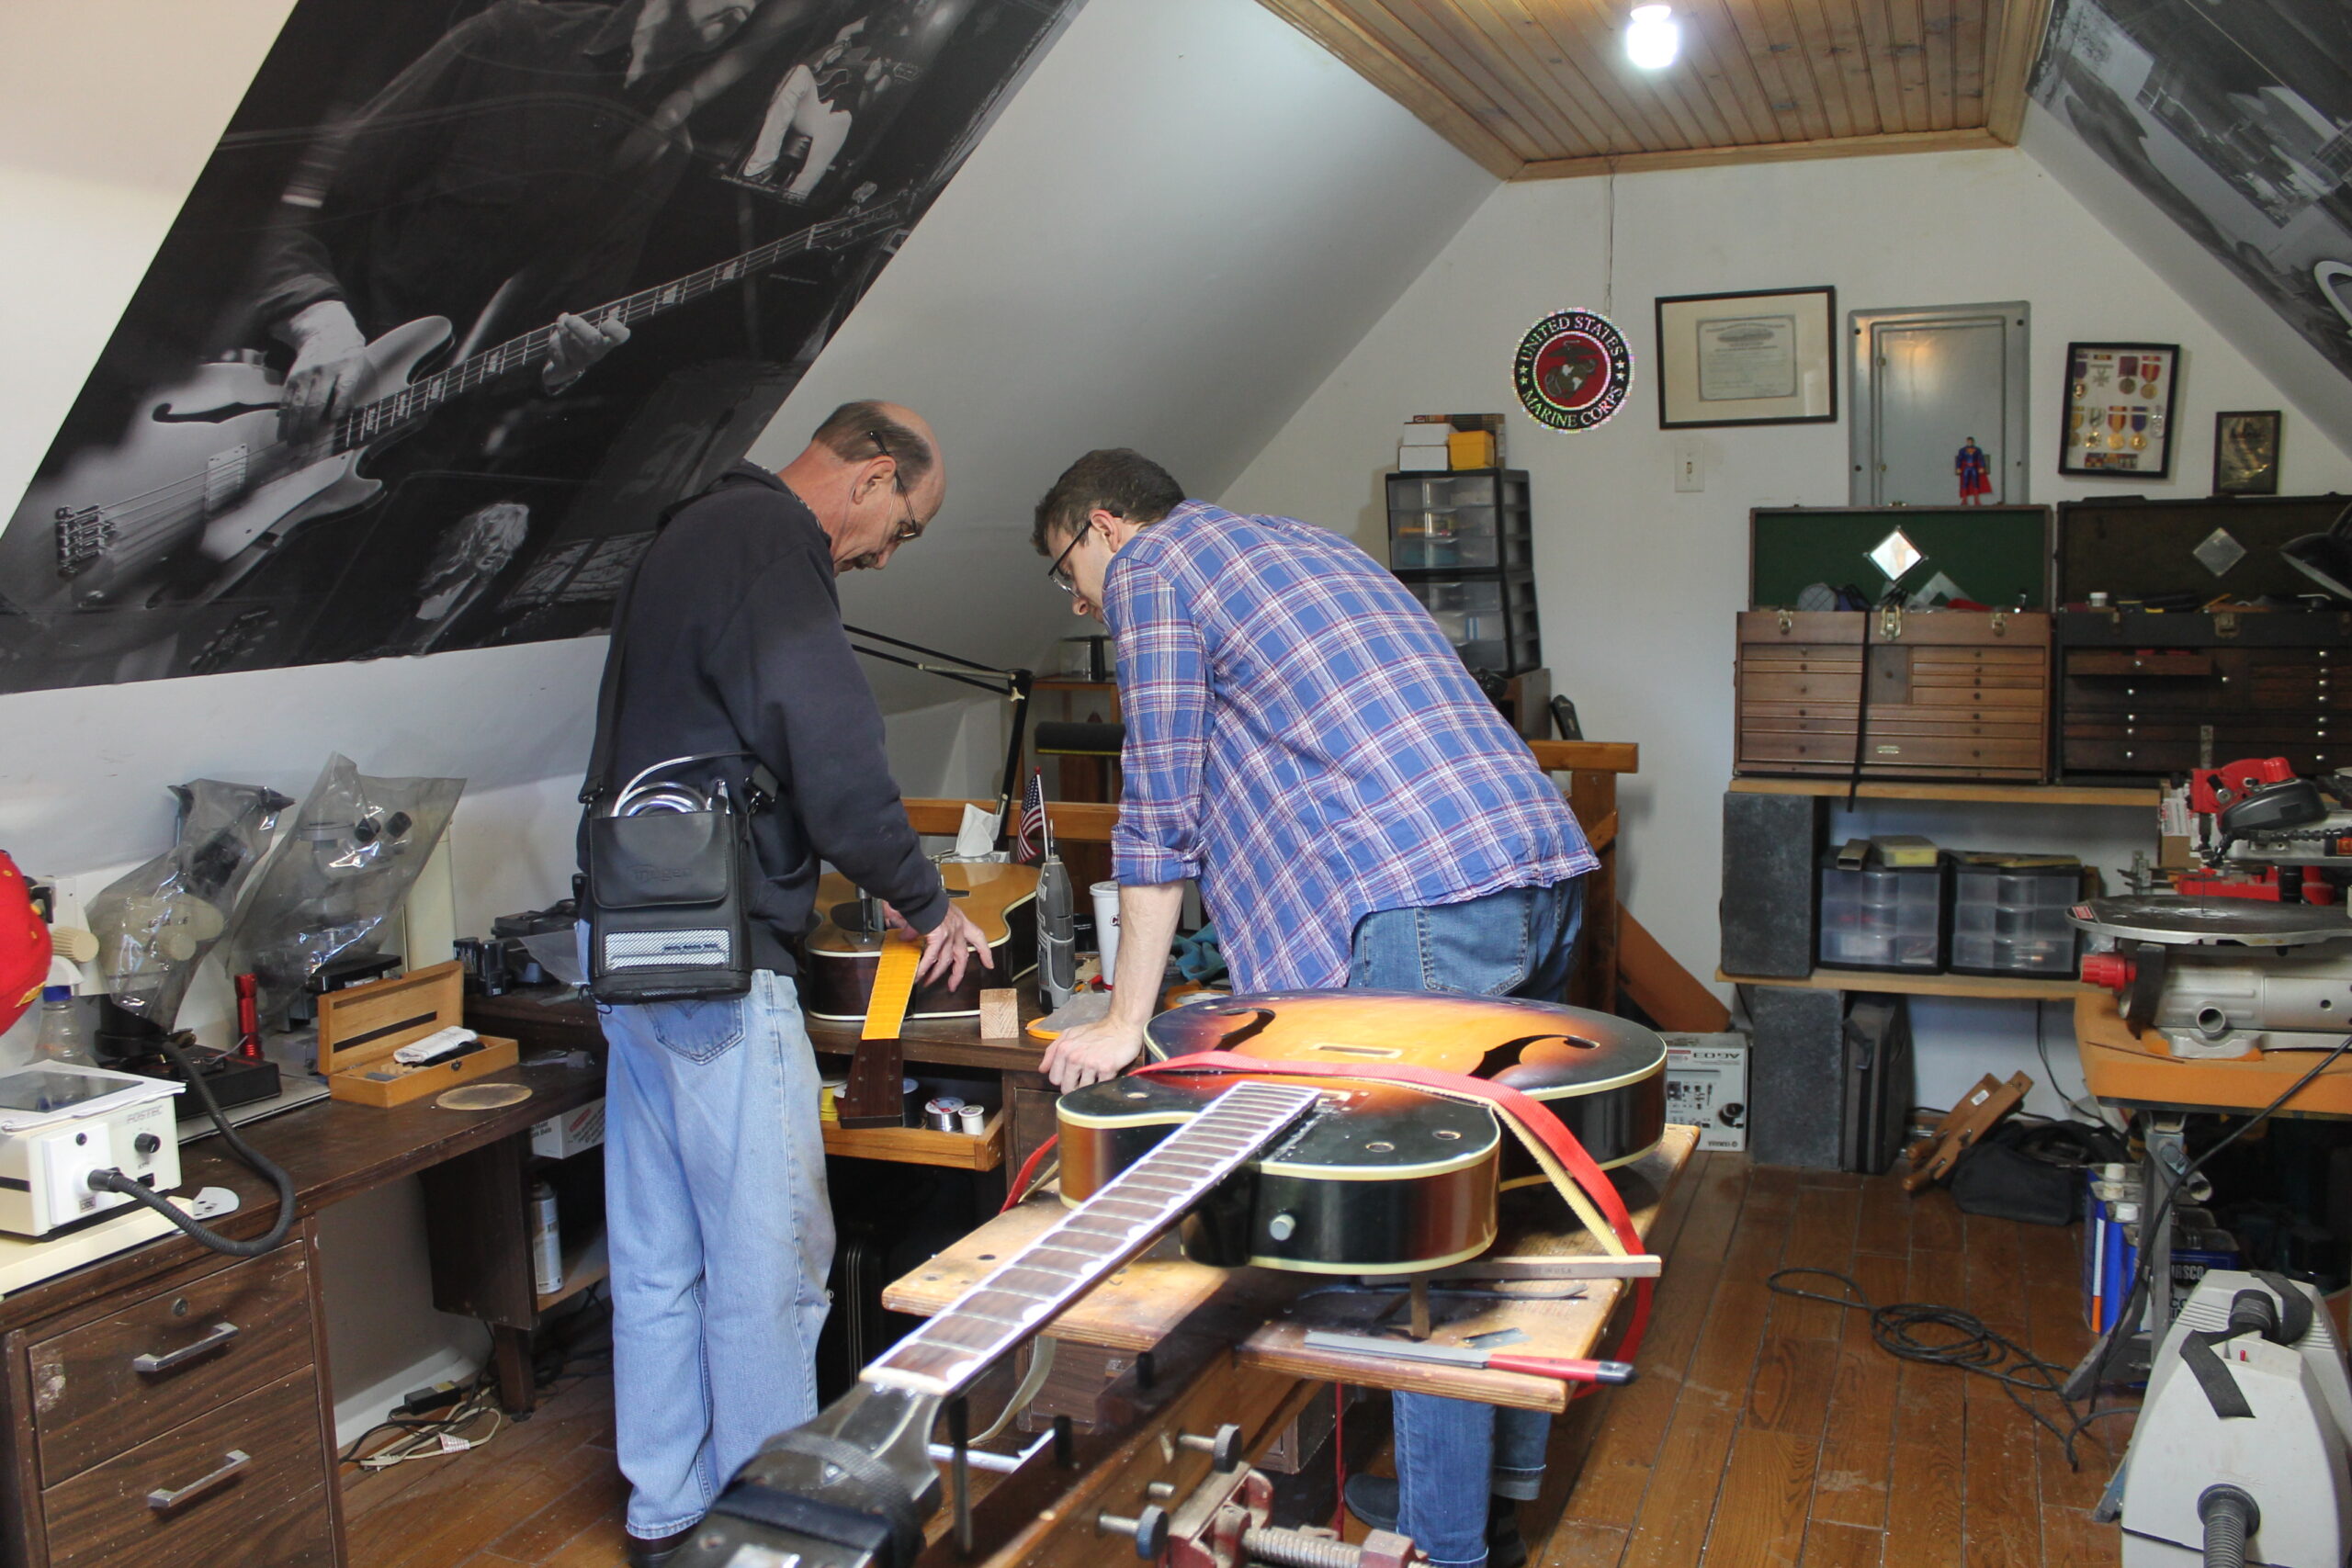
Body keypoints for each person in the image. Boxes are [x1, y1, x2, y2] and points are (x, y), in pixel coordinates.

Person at [1028, 449, 1599, 1568]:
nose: (1081, 599)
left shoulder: (1154, 568)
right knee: (1497, 1211)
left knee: (1412, 1243)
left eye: (1067, 570)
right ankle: (1489, 1499)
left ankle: (1447, 1546)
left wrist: (1119, 1018)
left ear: (1104, 525)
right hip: (1538, 872)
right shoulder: (1304, 545)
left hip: (1427, 902)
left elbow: (1158, 802)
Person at [585, 400, 992, 1568]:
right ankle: (767, 1542)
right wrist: (926, 901)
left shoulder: (686, 532)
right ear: (868, 476)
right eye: (900, 527)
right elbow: (833, 750)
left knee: (661, 1261)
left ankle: (668, 1519)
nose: (879, 555)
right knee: (767, 1266)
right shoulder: (776, 546)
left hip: (629, 951)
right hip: (721, 966)